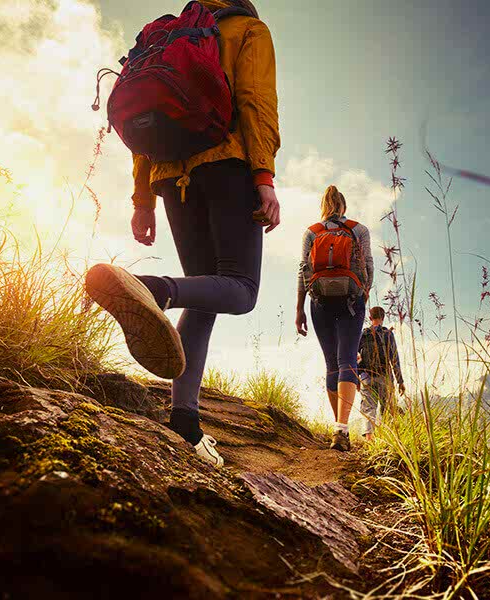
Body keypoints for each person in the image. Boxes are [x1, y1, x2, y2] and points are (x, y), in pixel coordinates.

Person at [85, 0, 279, 468]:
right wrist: (264, 177)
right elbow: (256, 100)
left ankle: (185, 424)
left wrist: (143, 199)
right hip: (227, 164)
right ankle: (153, 290)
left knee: (206, 295)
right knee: (241, 288)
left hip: (170, 176)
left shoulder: (168, 35)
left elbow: (145, 127)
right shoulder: (248, 29)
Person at [296, 186, 373, 452]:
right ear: (344, 206)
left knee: (331, 364)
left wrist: (299, 309)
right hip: (352, 301)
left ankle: (338, 428)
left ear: (323, 206)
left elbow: (302, 272)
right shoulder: (358, 229)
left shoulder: (312, 232)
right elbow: (369, 267)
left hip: (319, 303)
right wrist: (362, 295)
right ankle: (342, 427)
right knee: (348, 360)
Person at [357, 306, 405, 441]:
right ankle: (387, 439)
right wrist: (400, 381)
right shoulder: (388, 334)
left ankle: (369, 439)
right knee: (388, 407)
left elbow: (356, 356)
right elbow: (394, 358)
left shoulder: (363, 334)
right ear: (383, 318)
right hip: (385, 376)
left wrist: (356, 379)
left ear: (370, 317)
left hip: (366, 377)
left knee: (368, 408)